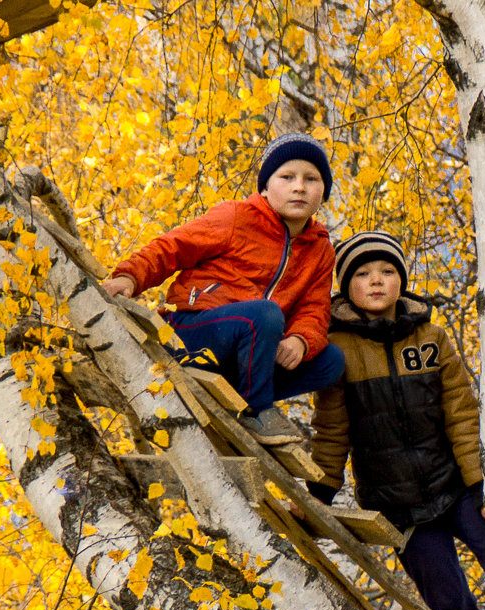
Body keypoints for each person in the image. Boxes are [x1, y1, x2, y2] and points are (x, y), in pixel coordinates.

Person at [308, 231, 485, 610]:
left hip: (455, 486)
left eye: (388, 271)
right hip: (397, 504)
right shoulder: (338, 350)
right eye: (363, 274)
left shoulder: (431, 337)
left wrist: (480, 486)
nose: (376, 281)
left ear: (401, 281)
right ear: (346, 286)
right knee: (447, 602)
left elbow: (461, 416)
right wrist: (318, 494)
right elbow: (332, 430)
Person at [102, 132, 345, 445]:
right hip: (192, 331)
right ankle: (257, 411)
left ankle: (243, 393)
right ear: (266, 187)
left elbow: (314, 308)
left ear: (323, 191)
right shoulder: (236, 217)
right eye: (287, 177)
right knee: (265, 315)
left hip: (247, 353)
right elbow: (174, 246)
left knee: (331, 361)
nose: (299, 186)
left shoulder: (320, 250)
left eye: (311, 179)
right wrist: (130, 278)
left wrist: (300, 339)